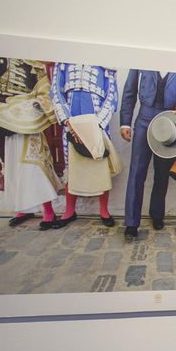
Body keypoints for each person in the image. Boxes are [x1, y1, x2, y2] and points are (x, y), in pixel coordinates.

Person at [0, 55, 62, 228]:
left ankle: (48, 210)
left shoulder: (27, 56)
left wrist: (38, 111)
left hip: (25, 118)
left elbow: (44, 89)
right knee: (10, 165)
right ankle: (24, 208)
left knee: (34, 164)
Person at [117, 70, 176, 240]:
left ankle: (157, 214)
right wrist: (125, 123)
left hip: (170, 121)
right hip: (144, 121)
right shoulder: (143, 58)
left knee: (162, 173)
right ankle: (131, 223)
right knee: (136, 172)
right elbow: (130, 90)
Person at [50, 62, 121, 227]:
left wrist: (98, 124)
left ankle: (104, 210)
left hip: (96, 120)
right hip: (71, 120)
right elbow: (56, 92)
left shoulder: (105, 62)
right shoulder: (64, 61)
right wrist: (67, 120)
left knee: (100, 163)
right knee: (72, 165)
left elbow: (111, 96)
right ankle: (69, 211)